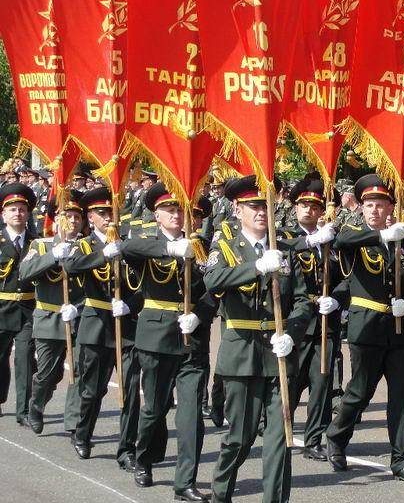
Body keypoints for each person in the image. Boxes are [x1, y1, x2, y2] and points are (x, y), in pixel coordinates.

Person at [204, 175, 313, 503]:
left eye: (265, 205)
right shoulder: (225, 246)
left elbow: (303, 300)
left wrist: (292, 334)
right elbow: (212, 279)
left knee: (280, 437)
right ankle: (221, 490)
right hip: (242, 352)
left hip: (278, 353)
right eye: (253, 206)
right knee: (241, 436)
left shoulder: (285, 247)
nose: (261, 212)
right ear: (238, 210)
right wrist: (256, 267)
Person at [120, 183, 217, 500]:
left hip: (193, 338)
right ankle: (144, 459)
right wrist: (170, 249)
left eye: (180, 210)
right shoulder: (149, 243)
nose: (177, 215)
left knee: (190, 415)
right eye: (170, 210)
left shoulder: (203, 248)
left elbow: (215, 289)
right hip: (157, 337)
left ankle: (185, 482)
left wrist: (200, 314)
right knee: (155, 409)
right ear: (157, 215)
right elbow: (127, 249)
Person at [326, 174, 404, 484]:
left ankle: (401, 460)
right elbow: (342, 242)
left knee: (402, 397)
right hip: (366, 327)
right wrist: (381, 237)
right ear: (361, 207)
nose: (374, 210)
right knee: (360, 391)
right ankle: (336, 437)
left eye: (380, 205)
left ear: (390, 208)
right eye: (369, 205)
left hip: (399, 329)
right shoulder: (354, 234)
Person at [62, 187, 139, 460]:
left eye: (111, 212)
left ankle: (127, 449)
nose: (108, 218)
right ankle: (83, 434)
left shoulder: (127, 244)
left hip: (126, 326)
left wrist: (132, 304)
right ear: (90, 217)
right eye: (102, 213)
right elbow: (71, 266)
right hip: (96, 325)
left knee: (130, 391)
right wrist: (103, 255)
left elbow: (144, 283)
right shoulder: (84, 245)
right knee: (93, 389)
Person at [280, 175, 343, 462]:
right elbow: (283, 253)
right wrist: (310, 241)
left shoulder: (331, 242)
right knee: (291, 381)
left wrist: (337, 299)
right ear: (295, 207)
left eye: (315, 206)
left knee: (322, 383)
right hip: (297, 323)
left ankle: (314, 439)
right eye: (304, 205)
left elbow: (345, 277)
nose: (309, 210)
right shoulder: (284, 235)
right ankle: (280, 429)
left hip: (325, 322)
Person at [19, 191, 85, 435]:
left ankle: (74, 423)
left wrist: (79, 307)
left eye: (77, 216)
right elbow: (25, 273)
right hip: (49, 318)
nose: (73, 221)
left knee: (79, 370)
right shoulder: (41, 245)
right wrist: (52, 256)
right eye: (68, 216)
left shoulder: (86, 246)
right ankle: (36, 405)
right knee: (49, 373)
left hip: (79, 317)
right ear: (56, 219)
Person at [0, 182, 37, 423]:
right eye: (12, 209)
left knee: (25, 359)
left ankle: (23, 410)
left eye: (22, 209)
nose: (18, 213)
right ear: (3, 214)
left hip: (27, 309)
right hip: (1, 308)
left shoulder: (36, 242)